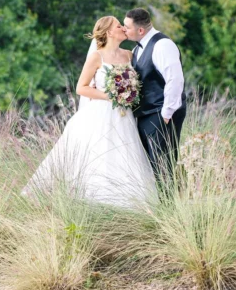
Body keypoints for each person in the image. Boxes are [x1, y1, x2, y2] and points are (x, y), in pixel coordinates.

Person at [23, 16, 156, 207]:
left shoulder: (129, 55)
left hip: (124, 115)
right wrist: (110, 95)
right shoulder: (97, 57)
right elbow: (81, 88)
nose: (123, 29)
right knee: (100, 154)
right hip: (101, 112)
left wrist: (129, 92)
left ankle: (129, 203)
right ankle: (94, 201)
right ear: (109, 32)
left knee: (125, 153)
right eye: (119, 26)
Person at [123, 8, 186, 180]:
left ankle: (169, 206)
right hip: (146, 115)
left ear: (140, 30)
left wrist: (166, 114)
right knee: (151, 167)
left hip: (160, 113)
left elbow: (175, 80)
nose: (124, 30)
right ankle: (158, 206)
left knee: (163, 166)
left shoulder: (162, 45)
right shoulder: (137, 50)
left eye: (127, 27)